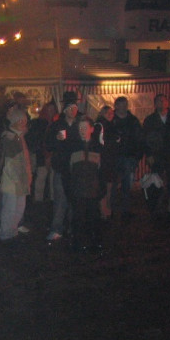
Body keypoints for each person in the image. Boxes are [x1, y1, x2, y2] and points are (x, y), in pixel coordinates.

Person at [45, 97, 82, 241]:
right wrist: (56, 139)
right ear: (65, 110)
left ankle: (73, 228)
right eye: (70, 108)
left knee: (75, 200)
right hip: (61, 168)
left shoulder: (80, 124)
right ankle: (57, 229)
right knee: (60, 200)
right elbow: (48, 144)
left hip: (76, 169)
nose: (73, 111)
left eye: (75, 108)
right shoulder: (57, 125)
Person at [0, 107, 32, 242]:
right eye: (20, 120)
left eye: (24, 120)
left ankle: (12, 232)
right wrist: (17, 178)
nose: (23, 122)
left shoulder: (20, 137)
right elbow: (9, 163)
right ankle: (6, 234)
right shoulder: (9, 138)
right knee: (10, 209)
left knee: (19, 209)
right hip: (12, 181)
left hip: (21, 180)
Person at [69, 119, 103, 251]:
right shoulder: (73, 147)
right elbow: (69, 169)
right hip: (78, 187)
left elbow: (101, 169)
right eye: (80, 128)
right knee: (78, 216)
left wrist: (100, 187)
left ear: (91, 129)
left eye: (85, 127)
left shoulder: (97, 147)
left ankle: (94, 241)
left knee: (93, 216)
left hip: (93, 187)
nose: (82, 130)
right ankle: (77, 242)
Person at [111, 96, 143, 222]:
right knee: (113, 185)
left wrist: (137, 156)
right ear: (116, 106)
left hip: (129, 157)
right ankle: (112, 210)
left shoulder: (133, 120)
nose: (123, 107)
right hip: (115, 157)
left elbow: (139, 138)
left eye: (125, 105)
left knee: (127, 185)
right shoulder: (111, 120)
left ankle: (125, 211)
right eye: (121, 105)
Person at [142, 94, 170, 219]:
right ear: (155, 104)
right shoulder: (150, 120)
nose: (161, 103)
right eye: (159, 101)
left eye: (163, 101)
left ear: (167, 102)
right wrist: (149, 154)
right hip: (157, 155)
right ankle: (157, 208)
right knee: (158, 182)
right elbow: (145, 138)